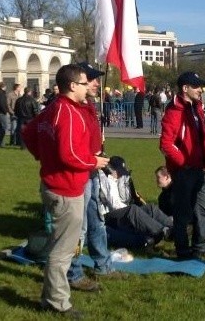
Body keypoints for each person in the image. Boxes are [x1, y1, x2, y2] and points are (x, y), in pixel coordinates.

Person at [25, 64, 109, 317]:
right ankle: (57, 302)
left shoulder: (53, 108)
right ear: (73, 86)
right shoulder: (68, 111)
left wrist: (44, 157)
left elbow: (29, 132)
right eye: (85, 83)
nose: (89, 87)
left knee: (58, 246)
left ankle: (49, 296)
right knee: (62, 251)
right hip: (66, 188)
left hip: (54, 184)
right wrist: (94, 162)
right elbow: (69, 154)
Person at [65, 62, 124, 293]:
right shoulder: (70, 108)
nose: (97, 83)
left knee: (97, 221)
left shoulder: (88, 105)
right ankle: (74, 272)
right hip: (79, 174)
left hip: (92, 173)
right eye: (92, 79)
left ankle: (102, 264)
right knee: (79, 228)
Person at [159, 71, 205, 260]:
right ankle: (182, 250)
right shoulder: (175, 111)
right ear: (185, 88)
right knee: (182, 213)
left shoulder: (197, 108)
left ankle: (200, 246)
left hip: (200, 169)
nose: (201, 89)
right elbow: (166, 143)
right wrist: (183, 162)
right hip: (184, 171)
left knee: (203, 210)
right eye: (196, 86)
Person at [99, 156, 173, 247]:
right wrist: (137, 211)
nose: (120, 174)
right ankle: (163, 232)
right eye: (118, 171)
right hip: (108, 216)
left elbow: (133, 198)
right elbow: (115, 205)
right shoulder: (106, 181)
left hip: (121, 212)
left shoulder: (117, 179)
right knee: (133, 210)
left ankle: (175, 227)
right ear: (111, 169)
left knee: (150, 208)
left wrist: (141, 210)